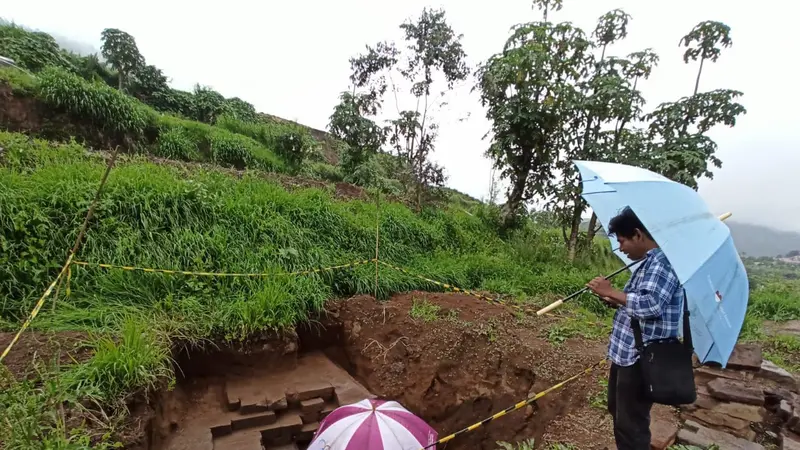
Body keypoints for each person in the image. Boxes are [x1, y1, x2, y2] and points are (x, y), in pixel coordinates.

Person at [585, 206, 684, 450]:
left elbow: (651, 306)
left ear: (638, 235)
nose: (620, 248)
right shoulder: (647, 264)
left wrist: (612, 291)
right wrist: (612, 299)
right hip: (628, 354)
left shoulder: (662, 265)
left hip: (642, 358)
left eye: (622, 241)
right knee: (619, 411)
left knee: (631, 423)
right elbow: (635, 301)